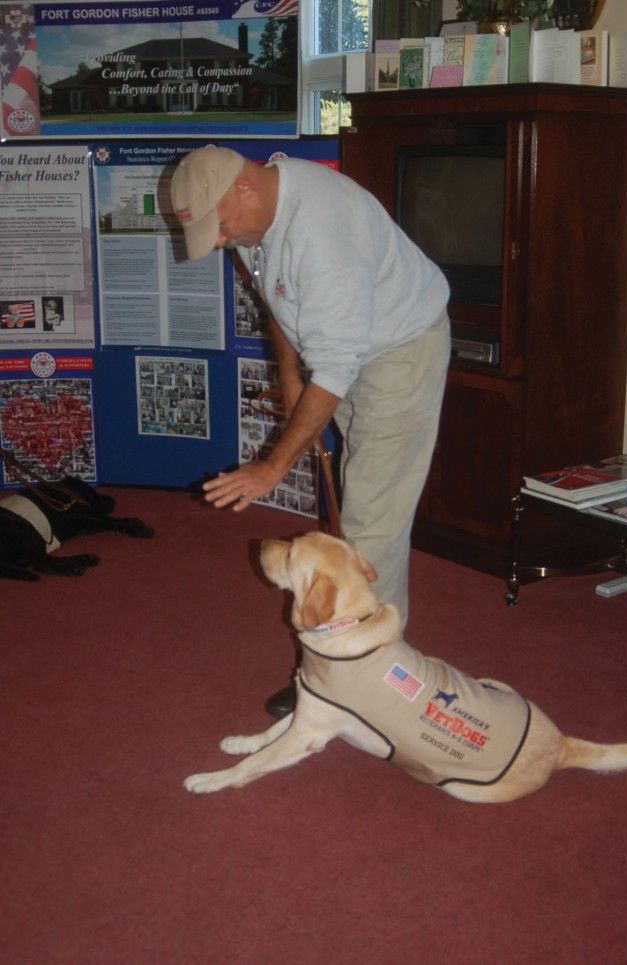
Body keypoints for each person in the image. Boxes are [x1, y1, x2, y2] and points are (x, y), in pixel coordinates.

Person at [171, 145, 451, 715]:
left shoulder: (322, 233)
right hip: (344, 349)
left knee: (370, 528)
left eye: (219, 227)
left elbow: (340, 365)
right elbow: (275, 298)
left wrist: (273, 466)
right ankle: (347, 667)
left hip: (398, 351)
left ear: (244, 188)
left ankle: (362, 682)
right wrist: (289, 370)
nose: (220, 242)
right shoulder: (259, 212)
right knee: (359, 504)